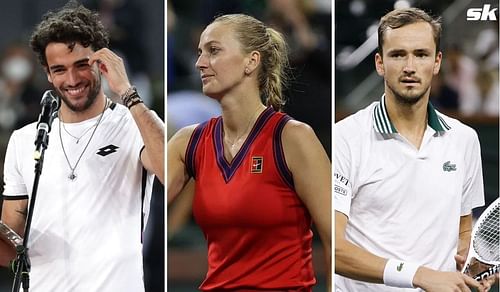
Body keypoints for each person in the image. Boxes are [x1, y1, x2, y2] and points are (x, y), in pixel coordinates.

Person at [0, 2, 164, 291]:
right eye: (59, 69)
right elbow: (10, 247)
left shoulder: (134, 125)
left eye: (81, 65)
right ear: (47, 73)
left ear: (102, 62)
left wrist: (127, 92)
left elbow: (169, 170)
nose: (72, 80)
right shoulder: (24, 140)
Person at [167, 14, 331, 291]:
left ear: (251, 62)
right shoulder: (188, 142)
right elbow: (139, 200)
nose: (199, 63)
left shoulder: (292, 138)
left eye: (213, 51)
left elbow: (336, 242)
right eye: (199, 52)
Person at [334, 8, 492, 292]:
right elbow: (334, 248)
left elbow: (463, 229)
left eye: (421, 54)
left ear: (436, 62)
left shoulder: (465, 139)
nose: (410, 66)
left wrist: (474, 265)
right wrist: (417, 274)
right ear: (380, 63)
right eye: (398, 55)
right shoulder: (345, 138)